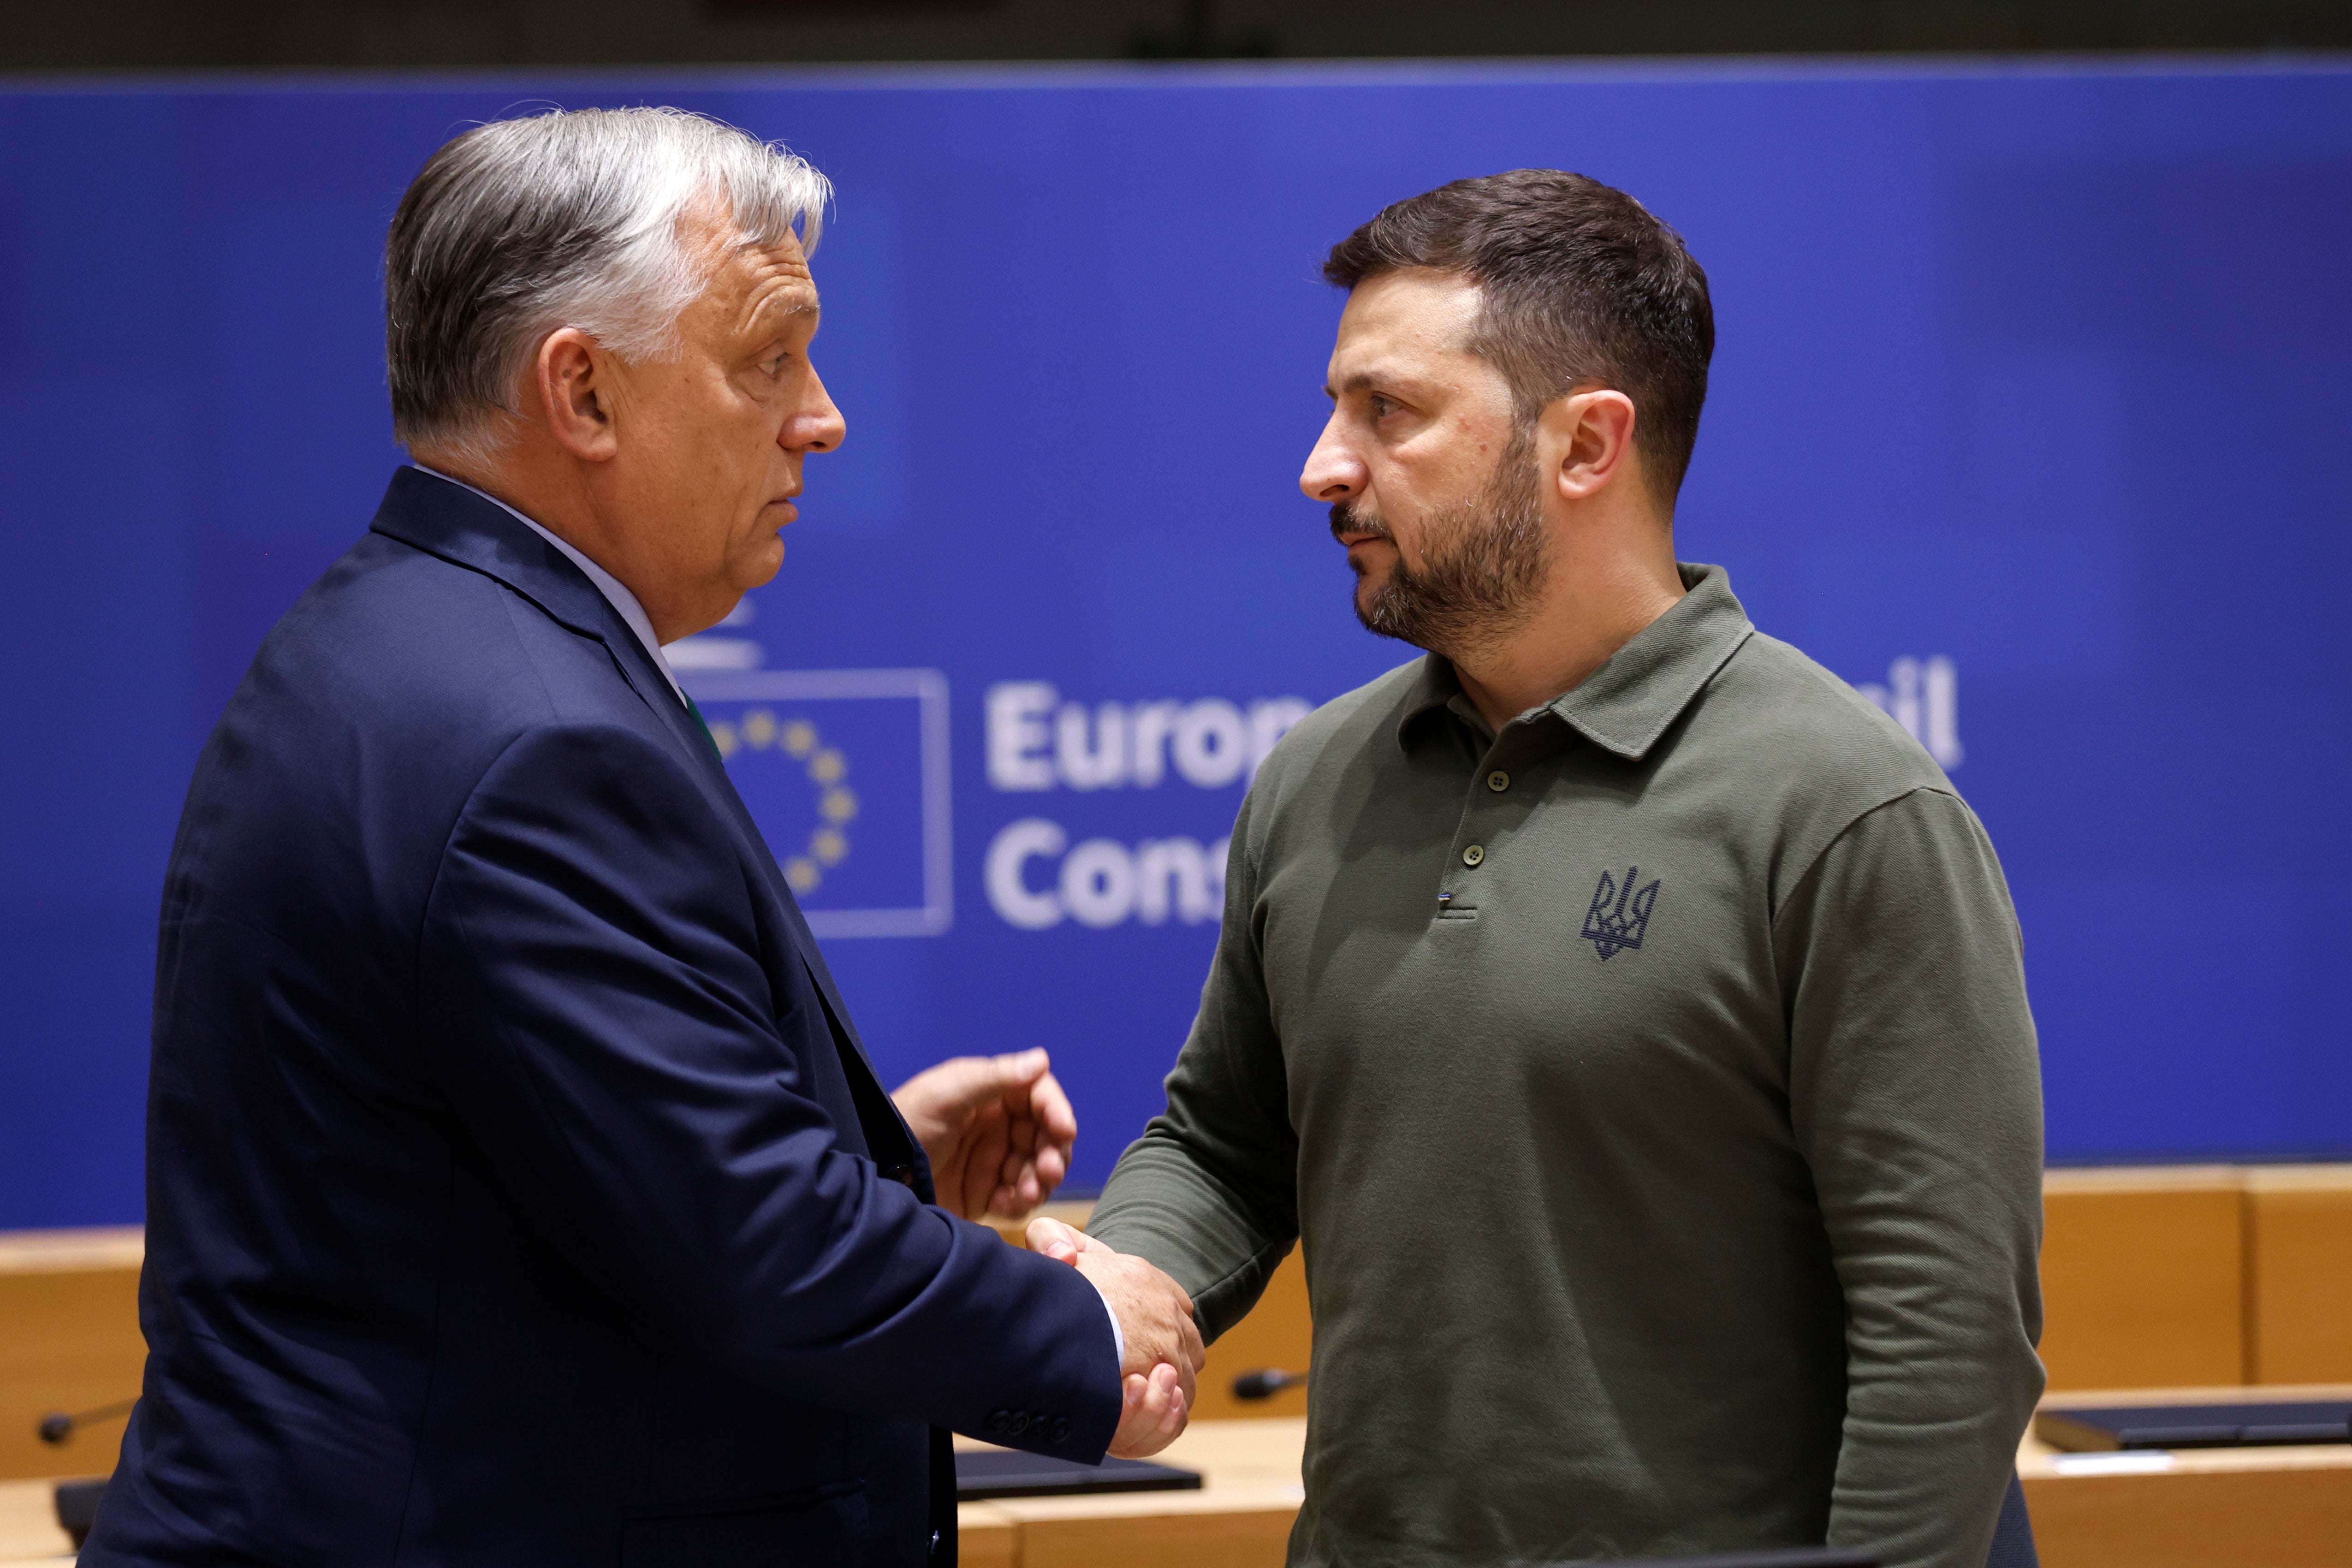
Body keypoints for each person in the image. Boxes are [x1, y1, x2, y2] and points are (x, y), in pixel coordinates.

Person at [86, 107, 1202, 1568]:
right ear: (586, 394)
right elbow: (760, 1250)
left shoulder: (409, 637)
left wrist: (868, 1167)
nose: (822, 414)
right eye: (768, 357)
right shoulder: (530, 731)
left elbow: (537, 1186)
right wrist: (1080, 1331)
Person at [1043, 171, 2045, 1568]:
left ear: (1585, 444)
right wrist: (1127, 1281)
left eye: (1385, 410)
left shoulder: (1844, 808)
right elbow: (1223, 1139)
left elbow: (1945, 1328)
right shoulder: (1316, 778)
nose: (1322, 464)